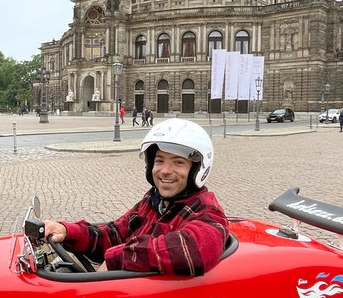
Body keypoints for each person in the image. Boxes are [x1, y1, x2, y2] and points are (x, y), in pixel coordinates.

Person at [43, 118, 229, 276]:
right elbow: (114, 234)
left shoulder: (207, 211)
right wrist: (68, 232)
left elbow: (193, 250)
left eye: (178, 163)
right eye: (159, 161)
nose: (165, 171)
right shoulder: (153, 202)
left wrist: (120, 257)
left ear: (197, 169)